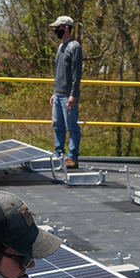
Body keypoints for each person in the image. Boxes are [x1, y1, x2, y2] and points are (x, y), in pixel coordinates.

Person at [49, 16, 83, 170]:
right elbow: (59, 72)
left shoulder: (74, 47)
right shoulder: (60, 47)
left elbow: (77, 73)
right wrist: (54, 92)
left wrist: (73, 94)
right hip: (58, 94)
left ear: (66, 28)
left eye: (58, 27)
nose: (56, 30)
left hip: (68, 95)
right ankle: (59, 153)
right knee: (57, 126)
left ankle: (72, 157)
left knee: (72, 127)